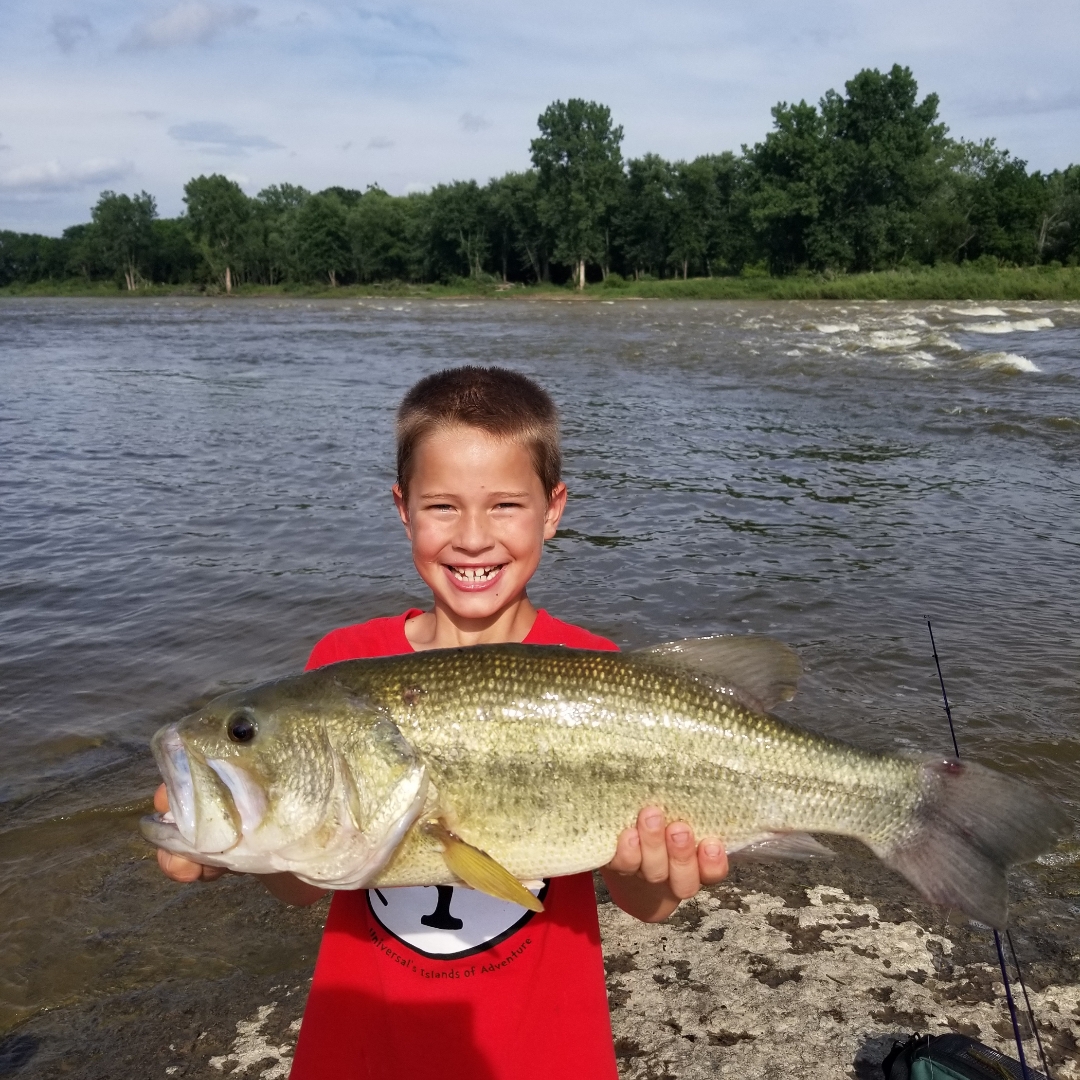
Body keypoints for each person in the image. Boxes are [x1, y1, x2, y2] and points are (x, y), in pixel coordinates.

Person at [155, 366, 729, 1079]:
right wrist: (241, 845)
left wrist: (663, 875)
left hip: (541, 1053)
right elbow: (307, 883)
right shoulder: (342, 662)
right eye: (442, 507)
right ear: (403, 509)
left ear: (553, 509)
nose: (473, 538)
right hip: (362, 1054)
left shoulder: (599, 669)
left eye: (505, 506)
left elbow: (644, 903)